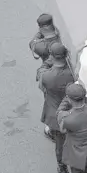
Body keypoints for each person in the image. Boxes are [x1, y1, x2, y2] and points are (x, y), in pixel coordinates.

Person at [37, 43, 75, 173]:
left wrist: (48, 61)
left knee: (59, 144)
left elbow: (41, 79)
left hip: (55, 116)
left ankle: (62, 168)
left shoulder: (47, 76)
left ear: (52, 56)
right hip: (73, 114)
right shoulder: (73, 73)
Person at [29, 13, 62, 142]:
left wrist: (40, 34)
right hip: (65, 75)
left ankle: (53, 130)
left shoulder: (41, 46)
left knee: (51, 104)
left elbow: (32, 43)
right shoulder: (61, 38)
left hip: (49, 76)